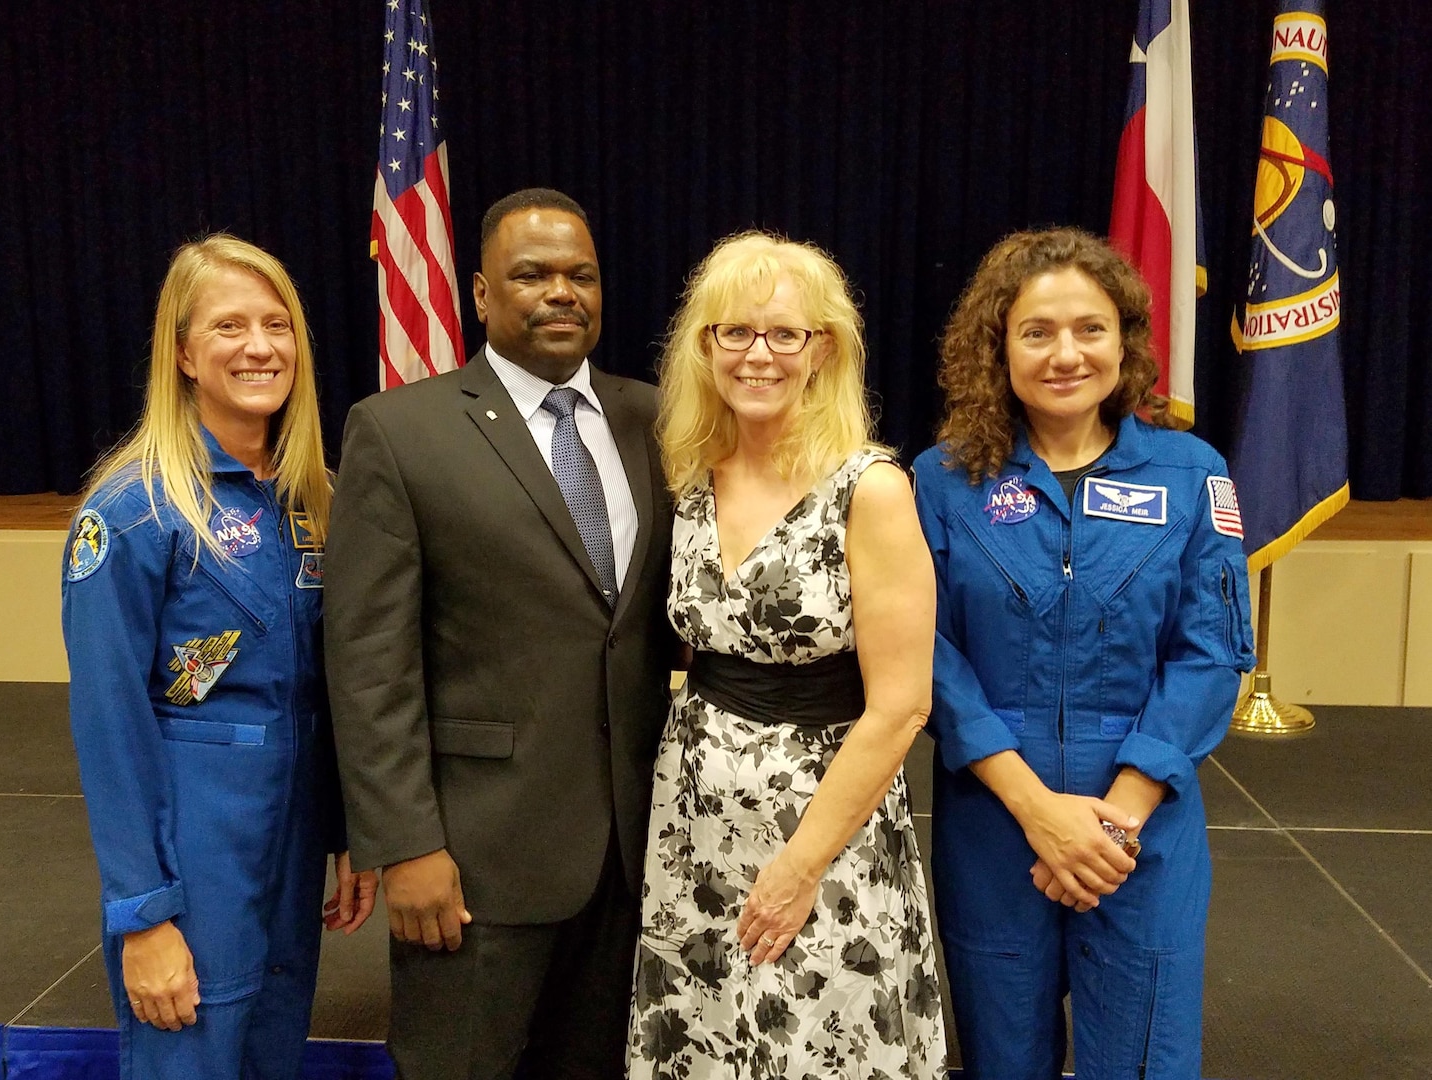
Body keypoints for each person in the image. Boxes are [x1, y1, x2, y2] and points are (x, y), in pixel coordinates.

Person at [323, 188, 675, 1079]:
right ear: (481, 294)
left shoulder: (660, 419)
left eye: (580, 275)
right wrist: (403, 846)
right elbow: (370, 664)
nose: (561, 292)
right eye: (532, 274)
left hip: (631, 857)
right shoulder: (400, 432)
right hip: (473, 862)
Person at [912, 227, 1256, 1079]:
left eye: (1090, 329)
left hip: (1142, 821)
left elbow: (1213, 651)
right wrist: (1037, 811)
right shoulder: (941, 480)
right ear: (998, 348)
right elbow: (926, 652)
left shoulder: (1191, 471)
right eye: (1037, 332)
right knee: (1002, 1052)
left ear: (1126, 341)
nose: (1066, 353)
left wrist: (1115, 818)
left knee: (1144, 1056)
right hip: (995, 812)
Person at [628, 231, 947, 1078]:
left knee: (815, 1043)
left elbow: (902, 706)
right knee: (704, 1040)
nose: (756, 355)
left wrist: (798, 870)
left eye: (783, 334)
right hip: (694, 821)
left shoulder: (869, 487)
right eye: (733, 332)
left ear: (824, 350)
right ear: (704, 348)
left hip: (820, 830)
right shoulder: (691, 473)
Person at [61, 233, 378, 1079]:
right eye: (230, 326)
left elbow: (331, 682)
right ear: (184, 353)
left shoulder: (315, 498)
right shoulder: (132, 514)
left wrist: (346, 829)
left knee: (272, 1053)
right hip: (192, 852)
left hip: (292, 842)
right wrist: (144, 916)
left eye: (277, 325)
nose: (260, 347)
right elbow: (109, 726)